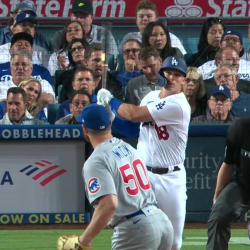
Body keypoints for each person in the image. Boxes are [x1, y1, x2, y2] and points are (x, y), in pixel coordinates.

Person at [97, 56, 191, 250]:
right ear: (162, 75)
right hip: (143, 176)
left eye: (177, 74)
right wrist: (109, 114)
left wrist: (111, 100)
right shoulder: (150, 97)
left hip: (170, 179)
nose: (172, 77)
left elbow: (133, 114)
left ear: (184, 80)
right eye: (168, 73)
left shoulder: (179, 105)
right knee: (136, 230)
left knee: (173, 241)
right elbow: (134, 128)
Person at [57, 103, 174, 250]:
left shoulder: (95, 160)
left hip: (136, 229)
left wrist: (83, 241)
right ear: (110, 123)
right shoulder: (128, 147)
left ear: (85, 129)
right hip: (162, 221)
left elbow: (109, 204)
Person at [206, 117, 250, 250]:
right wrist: (216, 197)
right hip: (243, 186)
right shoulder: (241, 128)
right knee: (218, 214)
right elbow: (227, 164)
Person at [52, 0, 118, 57]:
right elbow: (53, 59)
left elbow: (113, 58)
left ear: (91, 18)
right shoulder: (60, 35)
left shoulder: (104, 34)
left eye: (83, 16)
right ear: (71, 17)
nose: (79, 20)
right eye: (76, 16)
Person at [119, 0, 186, 56]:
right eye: (141, 16)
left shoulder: (172, 38)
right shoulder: (129, 37)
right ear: (136, 20)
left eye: (149, 16)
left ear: (156, 19)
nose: (145, 19)